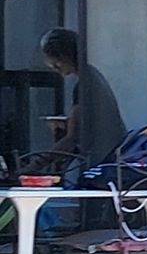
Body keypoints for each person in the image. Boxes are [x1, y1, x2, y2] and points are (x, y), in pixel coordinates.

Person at [40, 28, 126, 167]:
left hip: (101, 163)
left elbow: (71, 139)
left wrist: (34, 165)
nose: (52, 66)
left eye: (54, 61)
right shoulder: (92, 76)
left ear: (63, 56)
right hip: (108, 158)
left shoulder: (85, 84)